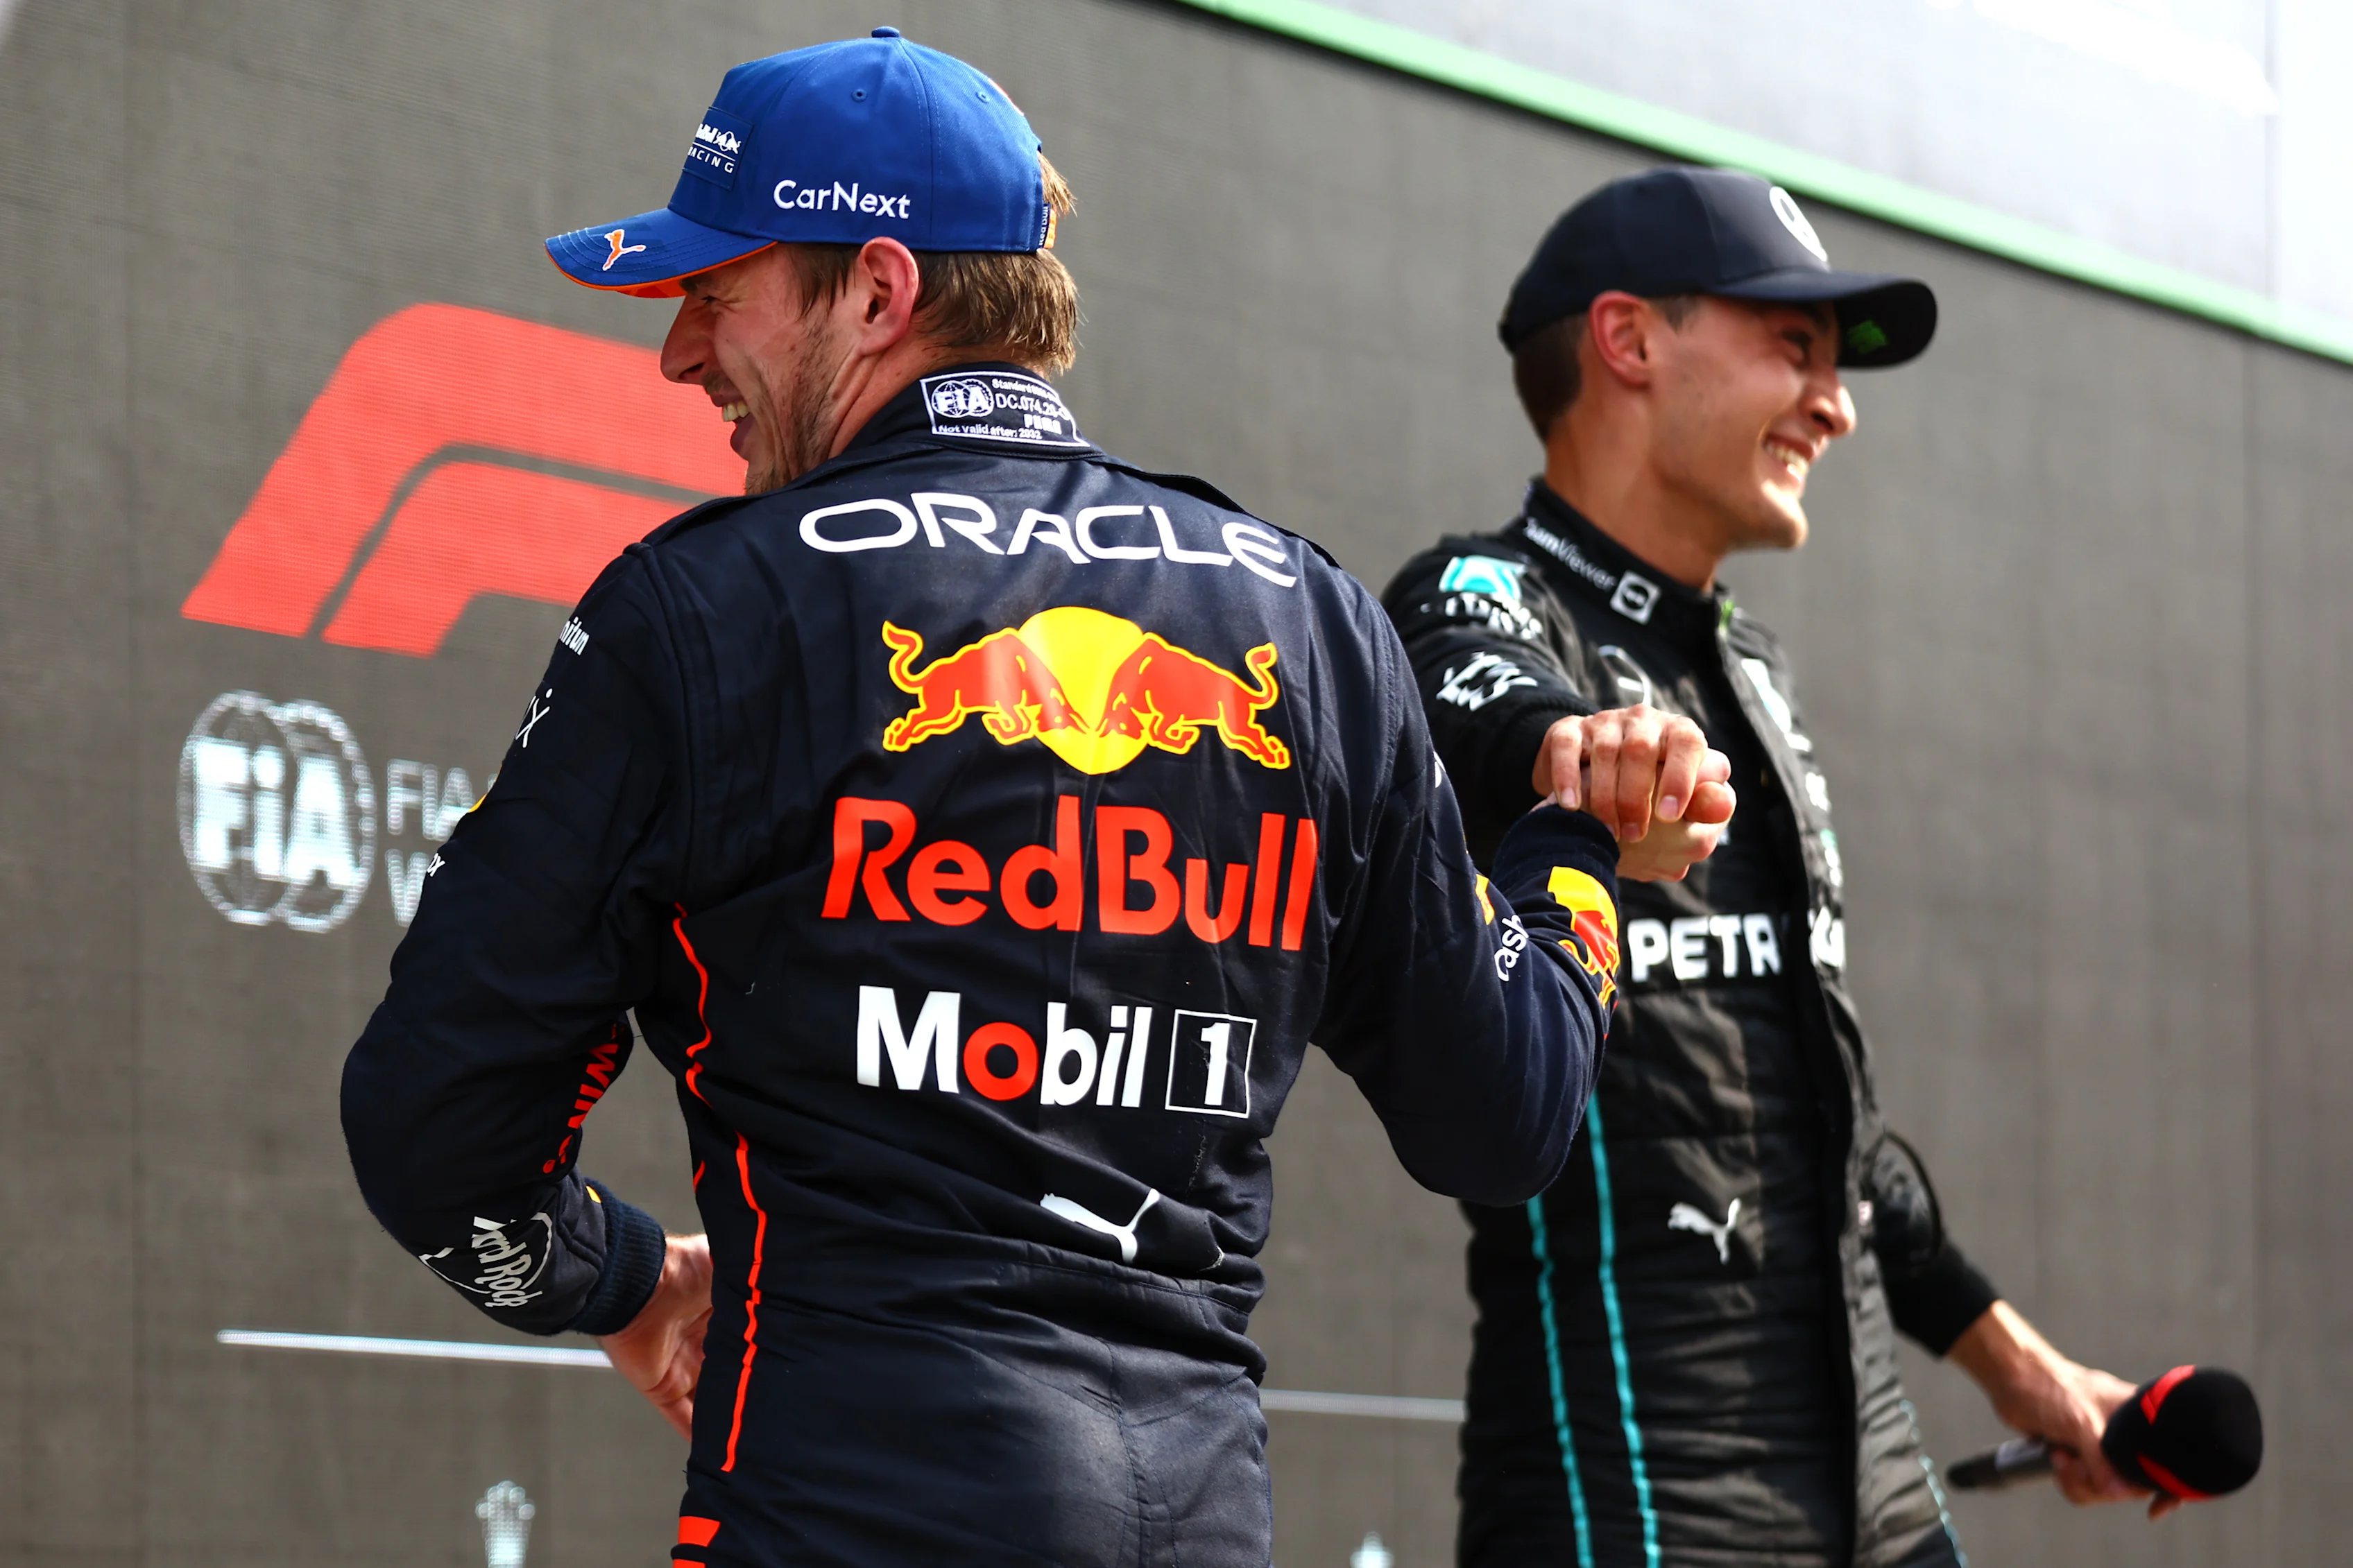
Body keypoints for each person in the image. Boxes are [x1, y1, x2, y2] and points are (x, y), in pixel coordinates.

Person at [339, 35, 1731, 1568]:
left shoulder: (699, 611)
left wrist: (623, 1281)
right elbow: (1506, 1111)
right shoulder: (1309, 618)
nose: (680, 353)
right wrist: (1573, 852)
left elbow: (434, 1129)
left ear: (876, 290)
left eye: (713, 292)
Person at [1382, 168, 2167, 1568]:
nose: (1835, 402)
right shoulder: (1476, 594)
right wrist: (1583, 748)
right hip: (1629, 1494)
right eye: (1792, 348)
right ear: (1626, 341)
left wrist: (2028, 1376)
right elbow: (1473, 694)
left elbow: (1831, 1132)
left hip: (1876, 1485)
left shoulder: (1748, 667)